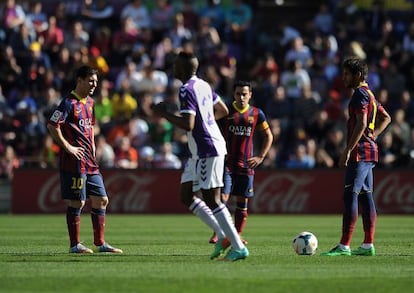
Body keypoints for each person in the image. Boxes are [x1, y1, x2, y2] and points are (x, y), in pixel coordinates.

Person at [152, 52, 249, 261]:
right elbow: (222, 110)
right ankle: (223, 235)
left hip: (207, 148)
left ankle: (238, 246)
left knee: (212, 199)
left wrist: (164, 115)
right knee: (186, 195)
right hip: (201, 150)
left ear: (185, 69)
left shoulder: (186, 89)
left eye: (177, 66)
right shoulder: (204, 85)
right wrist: (206, 121)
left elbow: (188, 124)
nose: (174, 69)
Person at [47, 65, 122, 254]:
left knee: (102, 199)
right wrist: (68, 147)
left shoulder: (90, 103)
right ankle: (75, 245)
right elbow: (52, 125)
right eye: (90, 81)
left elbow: (91, 128)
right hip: (74, 162)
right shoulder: (67, 103)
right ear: (79, 80)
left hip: (90, 161)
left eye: (95, 82)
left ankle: (100, 243)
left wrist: (94, 146)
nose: (93, 85)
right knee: (77, 202)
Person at [321, 57, 391, 256]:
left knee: (350, 194)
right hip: (371, 151)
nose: (343, 78)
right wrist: (375, 134)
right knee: (366, 196)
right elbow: (387, 117)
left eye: (347, 74)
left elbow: (360, 124)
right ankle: (368, 245)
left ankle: (344, 246)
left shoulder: (360, 94)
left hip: (360, 152)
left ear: (358, 75)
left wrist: (348, 149)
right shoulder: (370, 94)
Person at [209, 80, 273, 245]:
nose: (241, 97)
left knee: (242, 202)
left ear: (250, 95)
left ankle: (236, 236)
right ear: (234, 94)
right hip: (227, 163)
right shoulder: (226, 111)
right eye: (238, 94)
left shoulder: (257, 114)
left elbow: (269, 136)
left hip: (246, 166)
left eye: (244, 94)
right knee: (222, 198)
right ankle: (219, 232)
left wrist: (261, 156)